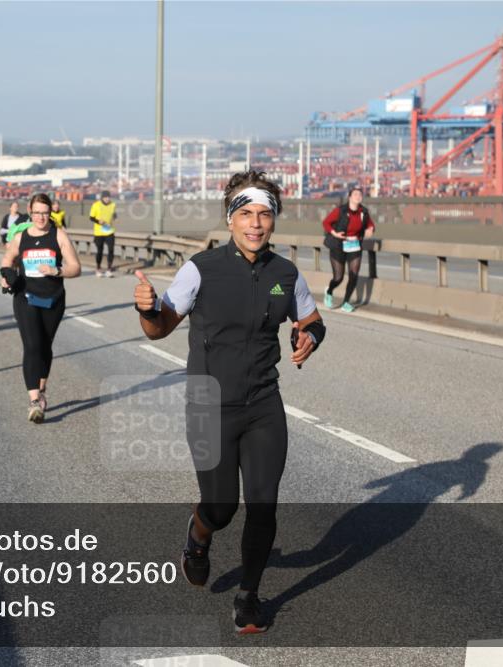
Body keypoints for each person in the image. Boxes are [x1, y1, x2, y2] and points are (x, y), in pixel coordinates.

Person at [133, 170, 325, 634]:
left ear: (273, 221)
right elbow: (160, 327)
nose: (255, 223)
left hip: (263, 403)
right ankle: (198, 540)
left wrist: (310, 338)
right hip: (209, 404)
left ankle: (249, 597)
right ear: (231, 219)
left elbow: (313, 319)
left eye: (264, 214)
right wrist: (146, 307)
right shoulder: (201, 269)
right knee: (221, 508)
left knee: (263, 505)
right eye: (246, 214)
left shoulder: (285, 273)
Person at [0, 193, 82, 423]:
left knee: (45, 346)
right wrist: (6, 277)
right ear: (30, 211)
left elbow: (76, 267)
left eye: (45, 213)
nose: (41, 218)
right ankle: (34, 401)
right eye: (36, 213)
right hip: (25, 297)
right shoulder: (21, 237)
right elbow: (7, 260)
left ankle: (41, 388)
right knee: (32, 345)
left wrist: (57, 271)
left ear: (50, 213)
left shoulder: (59, 236)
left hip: (53, 299)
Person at [321, 185, 375, 312]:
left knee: (354, 275)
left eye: (360, 195)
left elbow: (370, 225)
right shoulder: (340, 210)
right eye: (355, 194)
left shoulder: (364, 212)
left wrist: (370, 229)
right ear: (350, 197)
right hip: (338, 244)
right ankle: (329, 291)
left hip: (355, 245)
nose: (358, 197)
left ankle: (346, 302)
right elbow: (326, 223)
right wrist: (334, 233)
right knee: (338, 277)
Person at [90, 190, 117, 277]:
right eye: (105, 197)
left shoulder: (113, 205)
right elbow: (91, 217)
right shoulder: (96, 205)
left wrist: (114, 217)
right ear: (102, 198)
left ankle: (109, 269)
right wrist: (98, 221)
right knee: (100, 251)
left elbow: (114, 215)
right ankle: (98, 268)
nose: (107, 199)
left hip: (109, 231)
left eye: (108, 197)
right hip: (99, 232)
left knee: (111, 249)